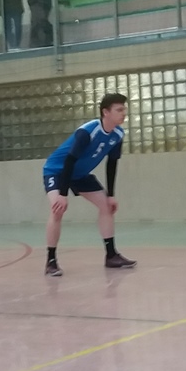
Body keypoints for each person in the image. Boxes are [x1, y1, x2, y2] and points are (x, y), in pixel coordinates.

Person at [41, 93, 137, 276]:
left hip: (80, 174)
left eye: (124, 109)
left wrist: (111, 195)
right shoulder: (87, 132)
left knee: (106, 206)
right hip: (57, 171)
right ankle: (51, 261)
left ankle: (111, 255)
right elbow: (69, 161)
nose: (124, 113)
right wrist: (62, 194)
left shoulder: (118, 134)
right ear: (106, 112)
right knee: (57, 209)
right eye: (119, 110)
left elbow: (112, 163)